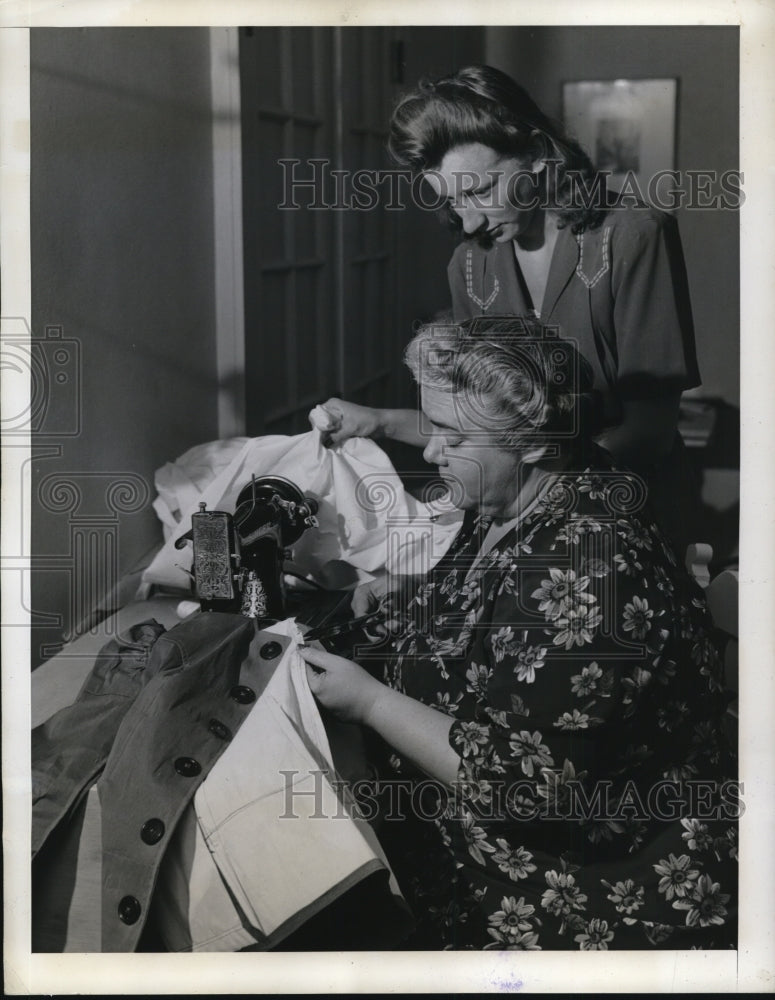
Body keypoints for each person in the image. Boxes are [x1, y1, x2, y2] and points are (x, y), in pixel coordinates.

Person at [300, 316, 737, 951]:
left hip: (581, 885)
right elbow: (483, 614)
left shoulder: (588, 569)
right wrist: (393, 602)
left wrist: (368, 701)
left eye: (452, 435)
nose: (429, 451)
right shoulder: (521, 495)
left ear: (531, 442)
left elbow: (522, 790)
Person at [317, 64, 701, 555]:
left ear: (538, 155)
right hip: (518, 519)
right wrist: (377, 420)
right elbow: (484, 425)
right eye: (453, 202)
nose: (469, 220)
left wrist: (518, 492)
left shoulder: (632, 237)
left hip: (628, 518)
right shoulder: (471, 266)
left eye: (479, 191)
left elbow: (650, 434)